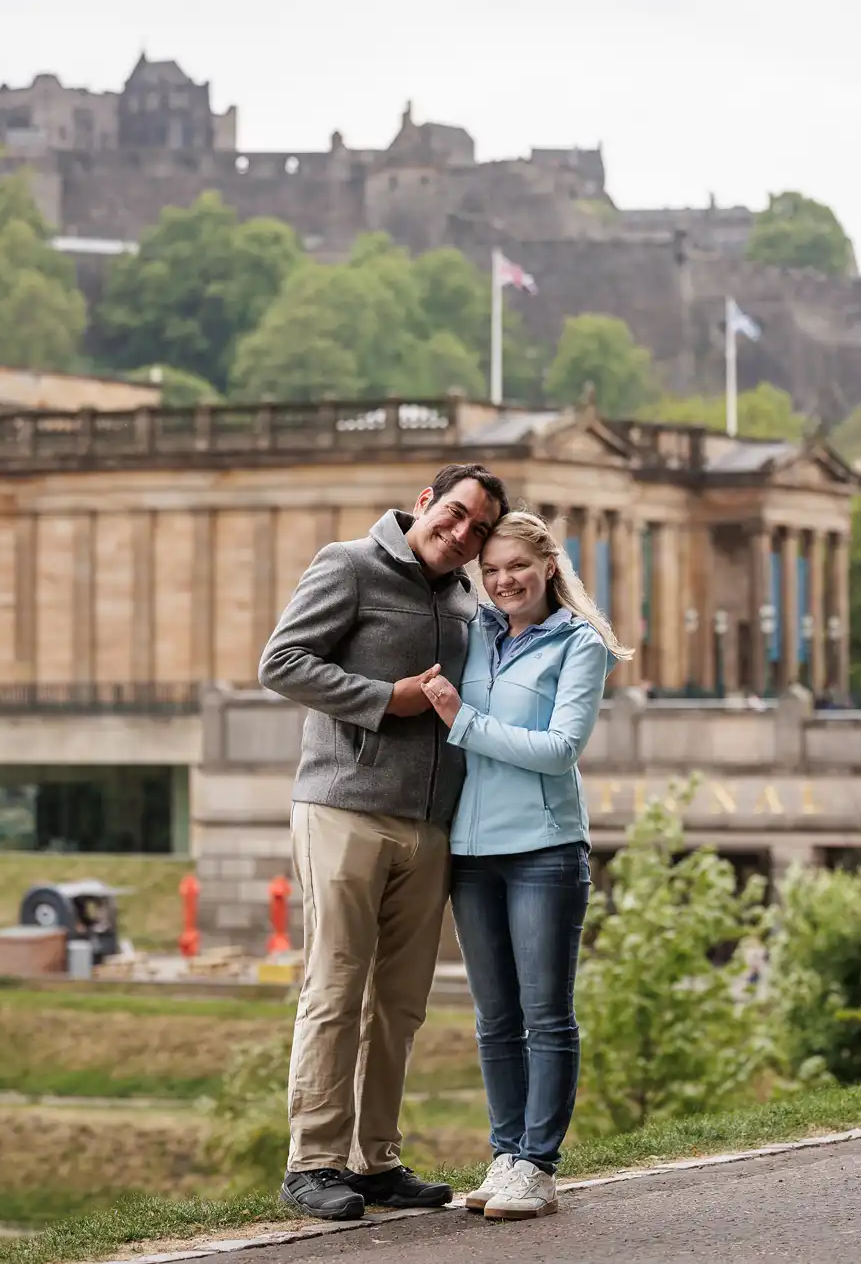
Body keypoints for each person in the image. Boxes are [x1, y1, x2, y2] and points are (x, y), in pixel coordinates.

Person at [258, 463, 509, 1221]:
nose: (462, 534)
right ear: (426, 502)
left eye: (479, 529)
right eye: (456, 514)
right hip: (345, 807)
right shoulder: (349, 564)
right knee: (335, 986)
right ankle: (313, 1162)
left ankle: (375, 1159)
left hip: (431, 822)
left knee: (399, 1002)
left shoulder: (467, 598)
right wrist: (384, 700)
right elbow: (281, 662)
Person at [419, 509, 630, 1222]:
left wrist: (463, 721)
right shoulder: (474, 631)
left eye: (518, 565)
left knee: (546, 1014)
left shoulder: (581, 644)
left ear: (549, 566)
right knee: (495, 1017)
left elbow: (559, 748)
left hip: (543, 849)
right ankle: (506, 1151)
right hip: (472, 854)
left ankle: (538, 1163)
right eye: (492, 569)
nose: (504, 580)